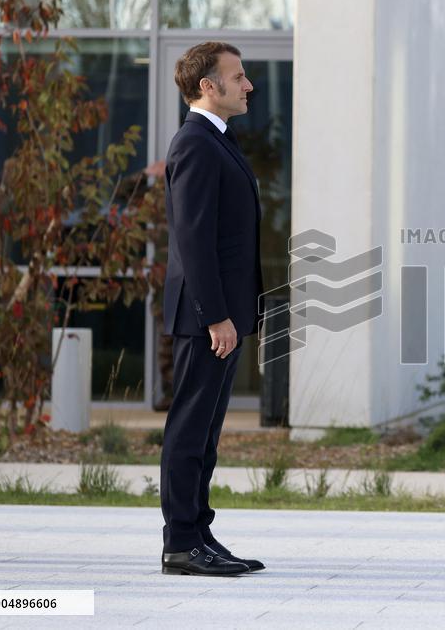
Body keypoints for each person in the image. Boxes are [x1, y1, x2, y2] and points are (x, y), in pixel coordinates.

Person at [160, 42, 264, 576]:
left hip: (221, 316)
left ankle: (198, 533)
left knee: (207, 432)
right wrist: (215, 316)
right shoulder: (196, 143)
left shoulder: (218, 140)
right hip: (208, 319)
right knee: (190, 429)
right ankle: (180, 542)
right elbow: (194, 240)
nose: (248, 85)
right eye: (238, 76)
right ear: (209, 85)